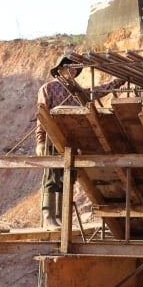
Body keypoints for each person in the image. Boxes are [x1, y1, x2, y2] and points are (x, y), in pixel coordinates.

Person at [35, 55, 125, 227]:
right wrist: (40, 141)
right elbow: (41, 116)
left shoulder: (77, 91)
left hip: (71, 141)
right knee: (53, 177)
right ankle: (49, 219)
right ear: (60, 69)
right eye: (69, 67)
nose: (73, 70)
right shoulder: (48, 89)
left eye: (75, 68)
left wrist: (118, 81)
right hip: (53, 138)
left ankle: (60, 218)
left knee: (67, 177)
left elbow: (98, 91)